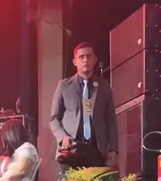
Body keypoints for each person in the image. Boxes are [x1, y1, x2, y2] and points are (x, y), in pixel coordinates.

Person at [50, 42, 118, 172]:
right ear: (75, 62)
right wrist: (62, 137)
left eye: (88, 56)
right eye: (81, 57)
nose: (85, 60)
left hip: (96, 150)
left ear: (95, 60)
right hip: (71, 150)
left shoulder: (103, 86)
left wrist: (113, 149)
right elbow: (54, 118)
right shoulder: (64, 86)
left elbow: (111, 121)